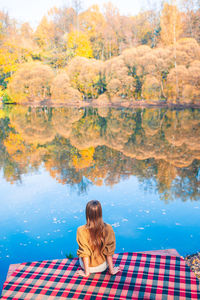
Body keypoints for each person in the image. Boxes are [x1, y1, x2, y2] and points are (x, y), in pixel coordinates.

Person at [76, 200, 120, 277]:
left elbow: (84, 253)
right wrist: (112, 270)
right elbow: (109, 252)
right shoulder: (108, 228)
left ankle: (87, 271)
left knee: (81, 253)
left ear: (87, 213)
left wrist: (86, 273)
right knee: (107, 249)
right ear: (100, 213)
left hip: (87, 268)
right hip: (102, 266)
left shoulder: (81, 230)